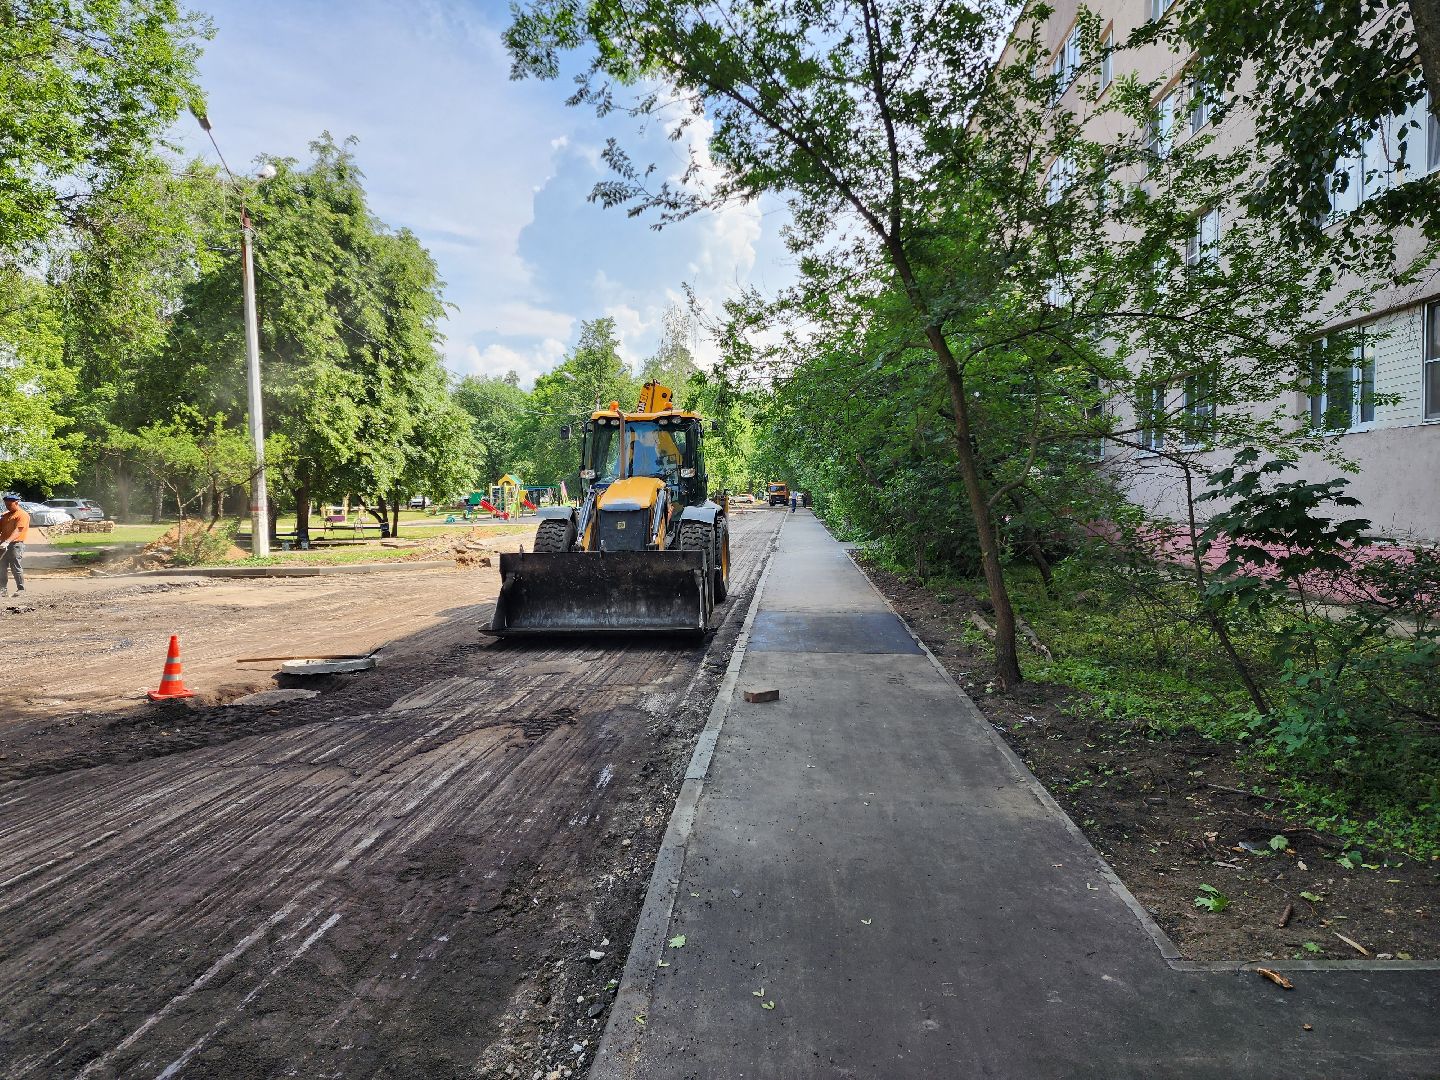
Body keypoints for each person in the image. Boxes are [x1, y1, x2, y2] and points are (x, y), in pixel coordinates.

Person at [1, 493, 30, 597]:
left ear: (16, 503)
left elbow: (18, 530)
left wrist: (7, 541)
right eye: (6, 505)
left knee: (15, 567)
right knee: (2, 567)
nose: (7, 507)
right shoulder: (5, 515)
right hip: (3, 545)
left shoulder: (22, 515)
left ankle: (21, 589)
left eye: (9, 505)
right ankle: (2, 590)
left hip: (15, 545)